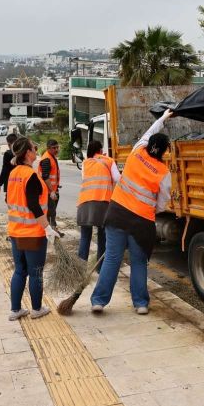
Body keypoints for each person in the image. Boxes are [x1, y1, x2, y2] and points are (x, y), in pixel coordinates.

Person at [91, 110, 174, 315]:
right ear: (164, 152)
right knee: (139, 262)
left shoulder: (136, 152)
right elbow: (162, 202)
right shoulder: (164, 173)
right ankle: (141, 304)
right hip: (142, 223)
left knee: (112, 259)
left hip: (117, 214)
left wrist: (163, 118)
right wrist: (149, 207)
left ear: (148, 145)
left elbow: (149, 132)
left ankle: (99, 301)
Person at [6, 137, 61, 321]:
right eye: (34, 148)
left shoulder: (13, 173)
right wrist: (47, 228)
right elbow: (33, 205)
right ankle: (36, 309)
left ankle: (15, 310)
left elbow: (10, 200)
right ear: (28, 153)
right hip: (32, 233)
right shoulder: (31, 176)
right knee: (35, 272)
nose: (36, 150)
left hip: (15, 231)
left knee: (19, 270)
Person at [76, 140, 119, 269]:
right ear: (100, 150)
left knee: (85, 237)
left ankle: (80, 270)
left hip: (84, 203)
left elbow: (84, 178)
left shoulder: (85, 163)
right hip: (102, 203)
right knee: (102, 237)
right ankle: (100, 268)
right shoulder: (109, 161)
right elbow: (118, 179)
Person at [37, 139, 60, 230]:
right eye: (54, 148)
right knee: (51, 212)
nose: (56, 149)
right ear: (48, 148)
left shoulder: (51, 157)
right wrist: (52, 191)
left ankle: (52, 230)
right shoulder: (47, 159)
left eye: (57, 147)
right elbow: (45, 177)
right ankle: (51, 231)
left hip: (51, 191)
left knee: (51, 212)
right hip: (47, 191)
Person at [0, 133, 18, 199]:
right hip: (21, 182)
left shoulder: (8, 154)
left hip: (11, 182)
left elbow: (5, 170)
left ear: (8, 144)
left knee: (11, 201)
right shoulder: (23, 153)